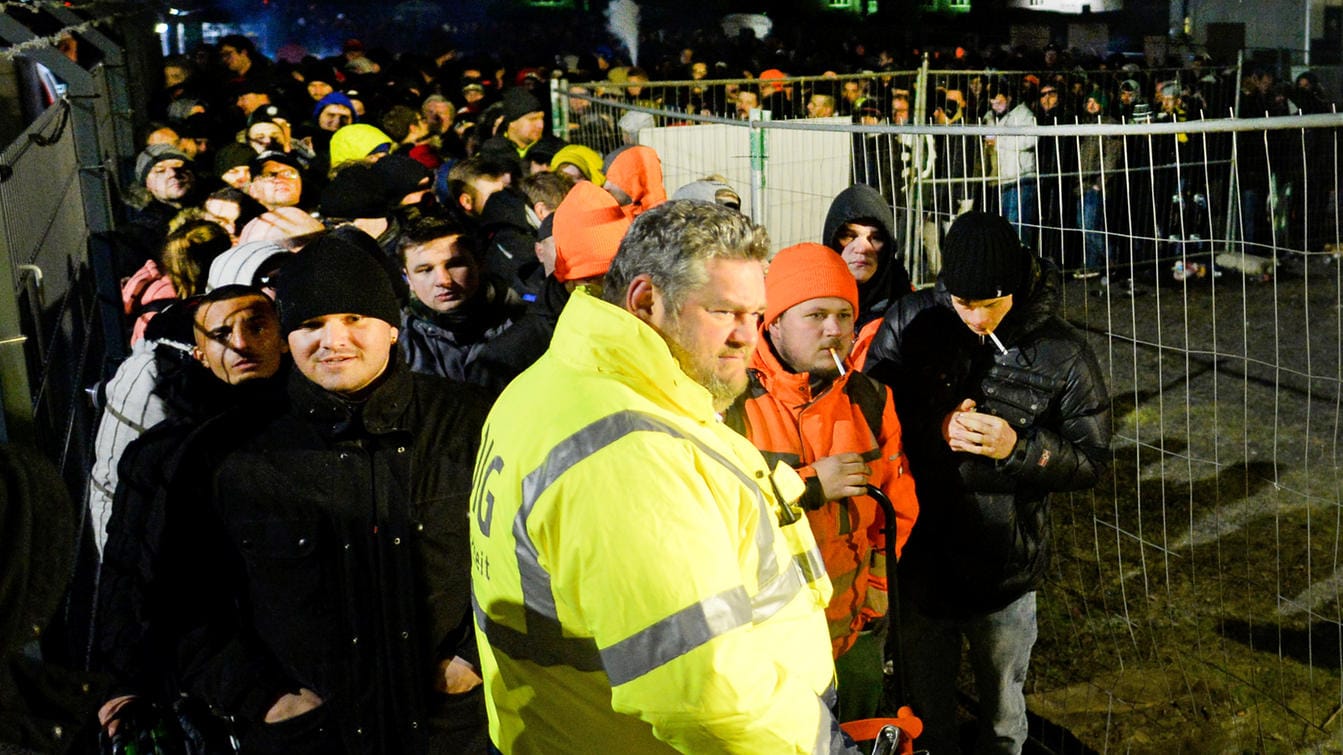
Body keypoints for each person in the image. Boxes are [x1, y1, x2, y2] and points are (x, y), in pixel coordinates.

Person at [471, 201, 854, 753]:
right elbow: (706, 694)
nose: (748, 337)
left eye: (756, 314)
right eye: (724, 312)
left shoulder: (556, 385)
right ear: (646, 299)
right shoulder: (626, 454)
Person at [158, 235, 491, 753]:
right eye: (311, 324)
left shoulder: (473, 421)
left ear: (392, 327)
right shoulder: (228, 452)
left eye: (354, 319)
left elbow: (533, 555)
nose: (333, 340)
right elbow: (181, 597)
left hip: (453, 732)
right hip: (309, 741)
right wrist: (263, 697)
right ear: (288, 336)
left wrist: (474, 658)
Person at [863, 212, 1111, 755]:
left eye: (991, 305)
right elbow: (871, 412)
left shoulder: (1062, 351)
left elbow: (1092, 459)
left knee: (1003, 712)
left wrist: (1018, 449)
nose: (975, 318)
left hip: (1004, 569)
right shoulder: (911, 320)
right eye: (962, 302)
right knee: (924, 710)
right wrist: (937, 425)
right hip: (918, 559)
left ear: (1016, 289)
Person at [725, 242, 919, 723]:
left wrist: (876, 592)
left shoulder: (871, 399)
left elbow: (897, 506)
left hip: (852, 637)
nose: (834, 330)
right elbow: (712, 513)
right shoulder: (729, 401)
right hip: (765, 648)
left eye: (844, 316)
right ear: (773, 322)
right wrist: (809, 484)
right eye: (815, 315)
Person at [397, 211, 522, 387]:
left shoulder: (522, 322)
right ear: (408, 278)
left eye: (454, 264)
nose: (443, 280)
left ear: (478, 263)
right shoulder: (395, 344)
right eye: (425, 270)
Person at [822, 184, 913, 363]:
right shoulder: (807, 302)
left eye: (876, 238)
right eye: (849, 236)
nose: (862, 248)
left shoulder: (909, 310)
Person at [981, 82, 1038, 249]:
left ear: (1010, 99)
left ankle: (1023, 263)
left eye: (999, 102)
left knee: (1018, 225)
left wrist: (1000, 140)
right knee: (1006, 225)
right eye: (992, 103)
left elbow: (1031, 139)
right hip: (1002, 178)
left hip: (1021, 177)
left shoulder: (1024, 114)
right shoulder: (990, 117)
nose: (995, 106)